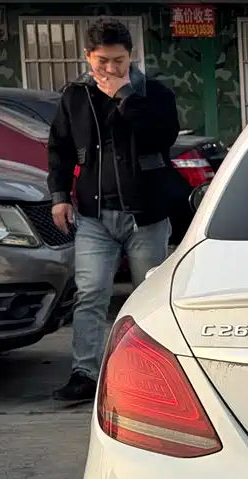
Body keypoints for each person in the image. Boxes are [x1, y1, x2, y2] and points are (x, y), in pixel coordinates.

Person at [47, 16, 183, 402]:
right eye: (102, 61)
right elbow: (59, 148)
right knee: (90, 294)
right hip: (94, 216)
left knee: (149, 297)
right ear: (87, 56)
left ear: (131, 56)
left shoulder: (153, 93)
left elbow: (162, 137)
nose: (110, 69)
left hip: (146, 215)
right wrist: (59, 195)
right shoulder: (75, 96)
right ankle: (84, 374)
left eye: (119, 61)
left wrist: (125, 97)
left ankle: (155, 376)